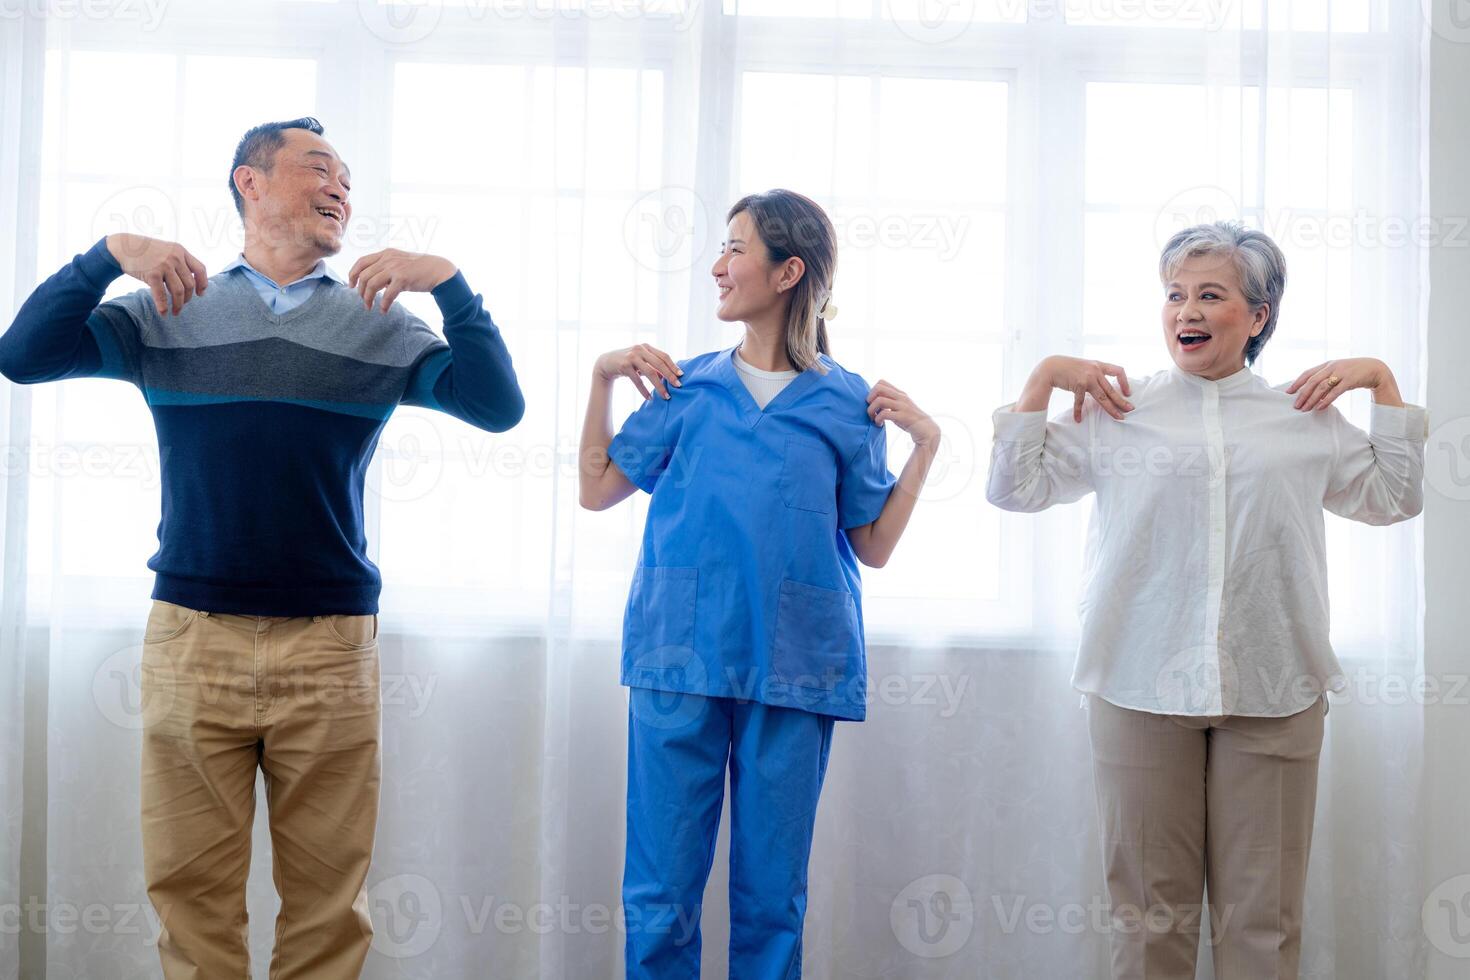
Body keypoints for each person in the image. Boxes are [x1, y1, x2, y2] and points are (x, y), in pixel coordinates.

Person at [0, 116, 524, 979]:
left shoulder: (379, 323)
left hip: (330, 648)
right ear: (250, 181)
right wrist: (108, 256)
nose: (341, 190)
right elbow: (23, 358)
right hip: (190, 640)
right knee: (192, 899)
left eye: (349, 182)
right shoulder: (171, 307)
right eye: (320, 167)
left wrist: (452, 284)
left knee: (327, 911)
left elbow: (497, 407)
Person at [986, 220, 1426, 979]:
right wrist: (1042, 383)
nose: (1184, 311)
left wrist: (1381, 382)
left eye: (1209, 295)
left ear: (1257, 317)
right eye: (1174, 295)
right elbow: (1015, 488)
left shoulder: (1304, 414)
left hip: (1276, 683)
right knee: (1148, 921)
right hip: (1138, 681)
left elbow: (1394, 495)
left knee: (1264, 925)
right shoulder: (1117, 409)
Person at [578, 189, 941, 978]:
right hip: (680, 659)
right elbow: (597, 487)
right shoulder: (688, 388)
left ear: (788, 272)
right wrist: (602, 378)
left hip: (796, 665)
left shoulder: (849, 403)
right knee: (661, 892)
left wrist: (925, 447)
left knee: (773, 898)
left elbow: (872, 548)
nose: (718, 264)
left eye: (735, 247)